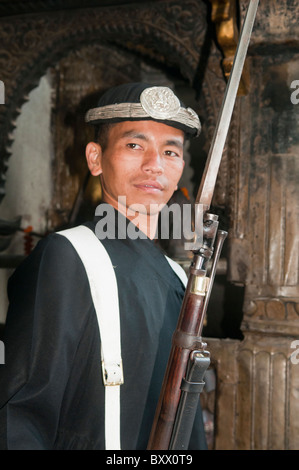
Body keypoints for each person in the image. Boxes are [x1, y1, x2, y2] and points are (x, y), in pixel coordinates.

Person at [0, 82, 207, 450]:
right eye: (134, 145)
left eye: (170, 151)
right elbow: (20, 416)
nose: (154, 165)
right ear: (95, 158)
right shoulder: (68, 256)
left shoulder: (178, 277)